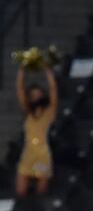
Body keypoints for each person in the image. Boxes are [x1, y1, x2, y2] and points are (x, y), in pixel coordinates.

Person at [15, 65, 58, 197]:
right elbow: (20, 89)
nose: (36, 97)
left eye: (38, 93)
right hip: (28, 152)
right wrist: (22, 70)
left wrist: (47, 71)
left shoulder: (49, 112)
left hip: (42, 154)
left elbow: (53, 90)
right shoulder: (28, 111)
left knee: (41, 191)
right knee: (21, 190)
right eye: (33, 94)